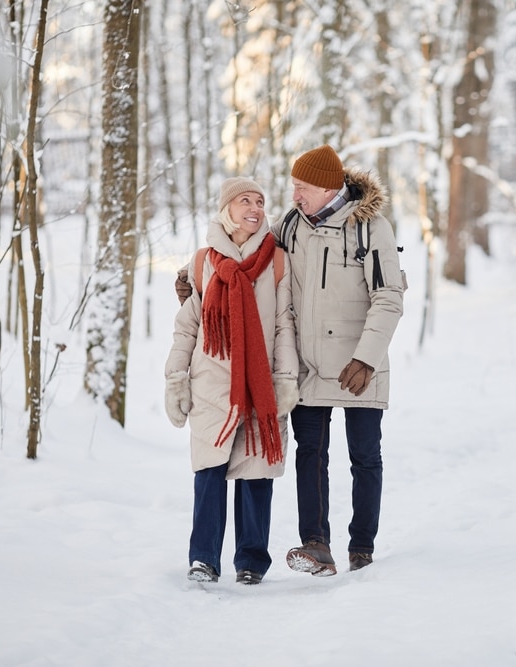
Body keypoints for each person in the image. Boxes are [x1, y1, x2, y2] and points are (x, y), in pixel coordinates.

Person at [175, 146, 404, 575]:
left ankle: (362, 549)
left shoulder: (371, 228)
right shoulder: (292, 226)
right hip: (308, 365)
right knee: (311, 454)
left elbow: (389, 296)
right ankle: (316, 545)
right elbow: (248, 253)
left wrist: (367, 358)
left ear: (327, 187)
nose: (294, 195)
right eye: (293, 187)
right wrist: (195, 281)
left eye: (302, 188)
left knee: (364, 457)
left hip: (359, 364)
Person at [165, 177, 299, 585]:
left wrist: (286, 377)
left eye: (260, 201)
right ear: (227, 209)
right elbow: (188, 325)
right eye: (245, 200)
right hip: (212, 381)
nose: (255, 208)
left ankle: (251, 562)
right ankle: (204, 558)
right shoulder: (204, 260)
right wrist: (176, 378)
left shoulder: (276, 259)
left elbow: (282, 325)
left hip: (259, 383)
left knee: (256, 472)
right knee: (209, 471)